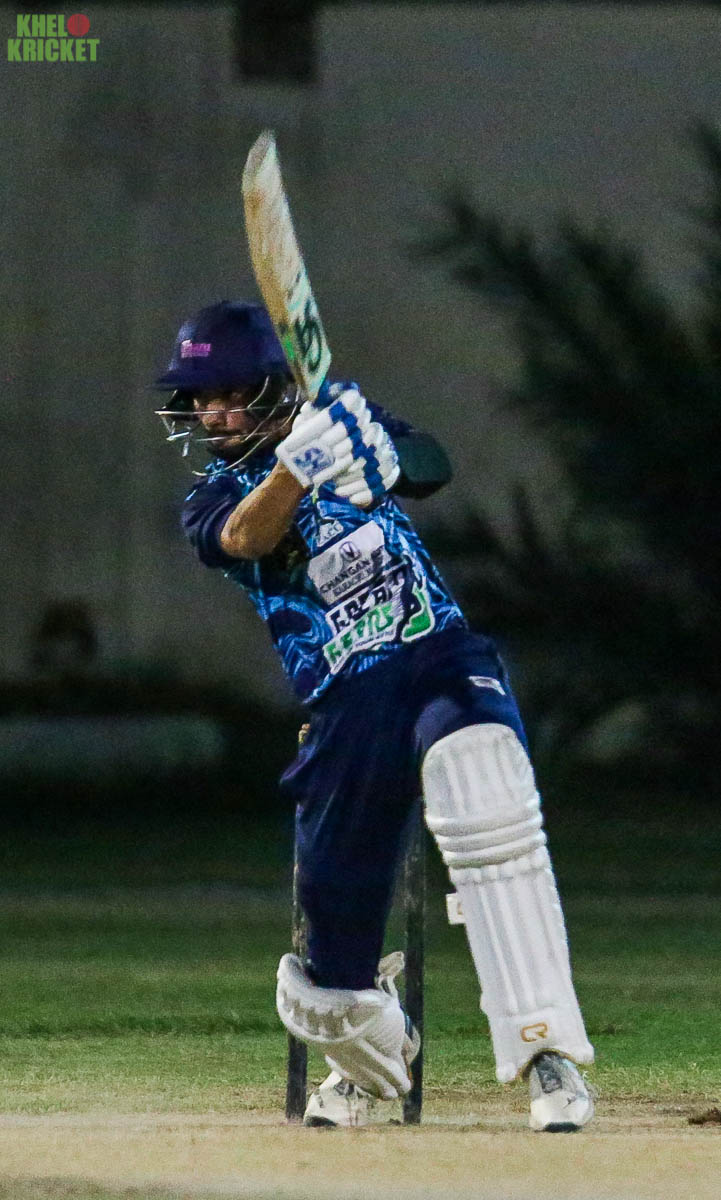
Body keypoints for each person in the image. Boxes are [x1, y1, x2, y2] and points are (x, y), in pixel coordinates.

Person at [154, 299, 595, 1131]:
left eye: (228, 396)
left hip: (436, 652)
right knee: (333, 923)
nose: (212, 415)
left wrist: (380, 454)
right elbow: (247, 539)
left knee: (486, 786)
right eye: (201, 400)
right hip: (345, 697)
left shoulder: (338, 415)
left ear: (272, 387)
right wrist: (297, 470)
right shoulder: (212, 499)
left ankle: (548, 1056)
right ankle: (362, 1064)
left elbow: (431, 465)